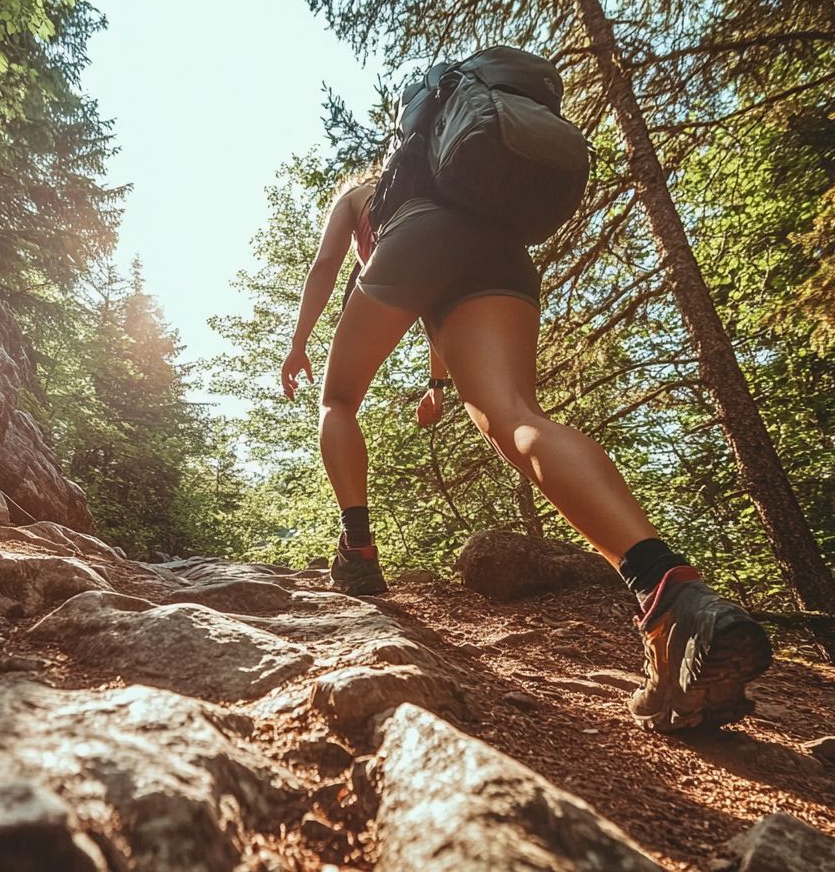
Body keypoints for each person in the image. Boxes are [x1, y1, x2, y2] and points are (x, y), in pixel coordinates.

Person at [279, 178, 773, 732]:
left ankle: (359, 547)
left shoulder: (361, 194)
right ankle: (669, 591)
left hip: (414, 243)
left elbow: (328, 263)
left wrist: (299, 343)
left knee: (338, 400)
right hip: (499, 250)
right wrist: (437, 384)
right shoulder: (457, 185)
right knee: (517, 417)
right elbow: (440, 298)